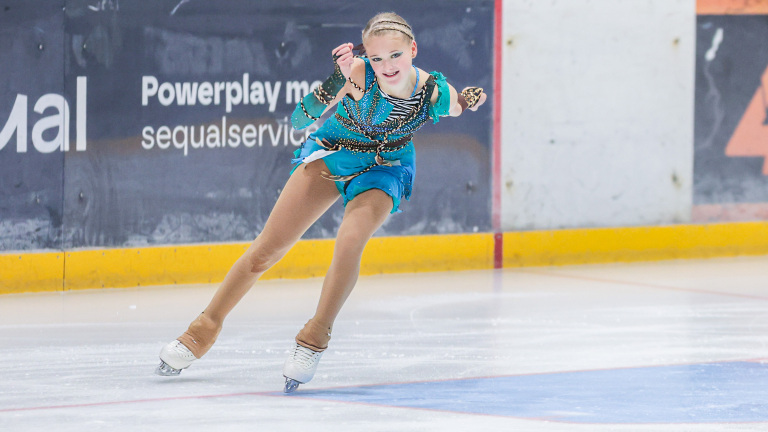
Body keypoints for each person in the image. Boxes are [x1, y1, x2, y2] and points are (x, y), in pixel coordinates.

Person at [155, 11, 487, 393]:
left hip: (385, 168)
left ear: (413, 49)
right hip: (333, 156)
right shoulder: (358, 74)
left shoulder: (431, 91)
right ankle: (202, 330)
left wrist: (471, 99)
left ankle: (314, 338)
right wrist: (337, 82)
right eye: (377, 58)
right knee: (266, 251)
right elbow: (300, 118)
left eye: (395, 56)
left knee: (350, 241)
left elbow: (458, 104)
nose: (386, 66)